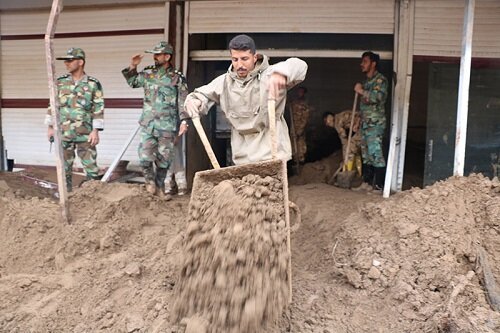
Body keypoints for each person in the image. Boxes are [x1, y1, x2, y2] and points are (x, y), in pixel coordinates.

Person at [180, 34, 307, 165]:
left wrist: (282, 73)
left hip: (272, 155)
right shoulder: (224, 82)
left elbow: (299, 65)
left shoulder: (270, 74)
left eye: (244, 59)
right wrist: (195, 101)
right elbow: (201, 94)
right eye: (235, 59)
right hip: (242, 158)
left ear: (254, 57)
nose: (239, 64)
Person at [122, 41, 188, 197]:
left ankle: (158, 189)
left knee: (164, 161)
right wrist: (133, 66)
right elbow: (132, 82)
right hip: (148, 124)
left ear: (167, 56)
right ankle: (150, 183)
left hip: (167, 125)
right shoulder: (148, 73)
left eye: (158, 54)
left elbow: (183, 101)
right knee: (144, 157)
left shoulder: (177, 77)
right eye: (154, 54)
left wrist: (184, 121)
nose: (155, 57)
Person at [44, 47, 104, 192]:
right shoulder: (60, 82)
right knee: (64, 169)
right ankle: (66, 197)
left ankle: (93, 198)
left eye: (70, 60)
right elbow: (52, 105)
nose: (66, 63)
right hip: (63, 133)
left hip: (85, 134)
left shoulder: (92, 84)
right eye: (66, 61)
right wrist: (50, 127)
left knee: (92, 170)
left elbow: (98, 108)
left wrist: (95, 131)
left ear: (80, 62)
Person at [354, 51, 388, 190]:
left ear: (373, 64)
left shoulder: (381, 80)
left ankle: (379, 186)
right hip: (365, 123)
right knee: (366, 154)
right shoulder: (366, 82)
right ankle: (366, 183)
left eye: (365, 61)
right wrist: (358, 121)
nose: (362, 64)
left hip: (375, 124)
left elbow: (377, 98)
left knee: (375, 153)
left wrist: (361, 91)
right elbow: (363, 106)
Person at [323, 110, 362, 177]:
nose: (327, 123)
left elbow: (343, 139)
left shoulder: (337, 122)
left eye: (326, 121)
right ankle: (358, 174)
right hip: (363, 124)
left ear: (330, 117)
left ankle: (347, 173)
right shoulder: (339, 116)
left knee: (350, 148)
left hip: (363, 126)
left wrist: (345, 158)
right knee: (356, 151)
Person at [288, 86, 310, 164]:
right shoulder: (294, 102)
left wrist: (301, 129)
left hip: (300, 127)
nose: (300, 93)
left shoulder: (305, 104)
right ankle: (294, 159)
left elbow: (306, 118)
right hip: (293, 127)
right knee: (293, 143)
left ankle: (301, 160)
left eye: (301, 92)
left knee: (300, 143)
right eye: (299, 91)